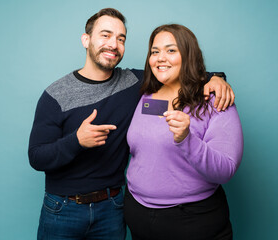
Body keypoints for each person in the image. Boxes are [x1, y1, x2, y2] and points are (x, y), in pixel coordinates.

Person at [28, 8, 234, 240]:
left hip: (113, 207)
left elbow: (177, 69)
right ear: (86, 40)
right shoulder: (55, 95)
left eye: (121, 38)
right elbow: (37, 157)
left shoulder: (135, 83)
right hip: (63, 209)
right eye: (105, 35)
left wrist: (216, 78)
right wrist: (76, 141)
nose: (113, 44)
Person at [124, 24, 244, 240]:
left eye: (171, 50)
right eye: (155, 51)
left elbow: (225, 169)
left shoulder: (215, 100)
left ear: (188, 55)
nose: (161, 58)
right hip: (138, 214)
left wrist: (187, 139)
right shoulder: (145, 95)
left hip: (193, 220)